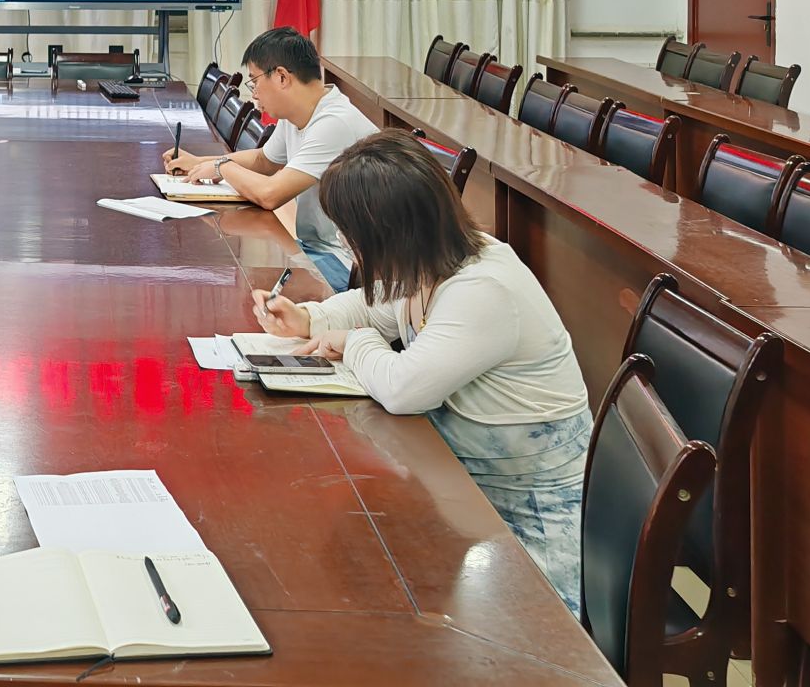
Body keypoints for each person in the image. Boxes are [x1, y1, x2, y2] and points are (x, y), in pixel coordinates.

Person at [249, 129, 593, 614]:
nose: (346, 243)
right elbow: (374, 307)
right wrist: (308, 318)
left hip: (526, 523)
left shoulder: (483, 288)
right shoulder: (433, 262)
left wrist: (355, 342)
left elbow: (403, 388)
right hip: (461, 493)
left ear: (390, 231)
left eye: (350, 233)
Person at [162, 26, 374, 289]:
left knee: (247, 284)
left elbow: (271, 194)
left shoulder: (333, 123)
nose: (253, 93)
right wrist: (200, 163)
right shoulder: (300, 112)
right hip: (318, 247)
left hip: (349, 266)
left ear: (282, 77)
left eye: (255, 81)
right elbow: (265, 160)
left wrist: (221, 166)